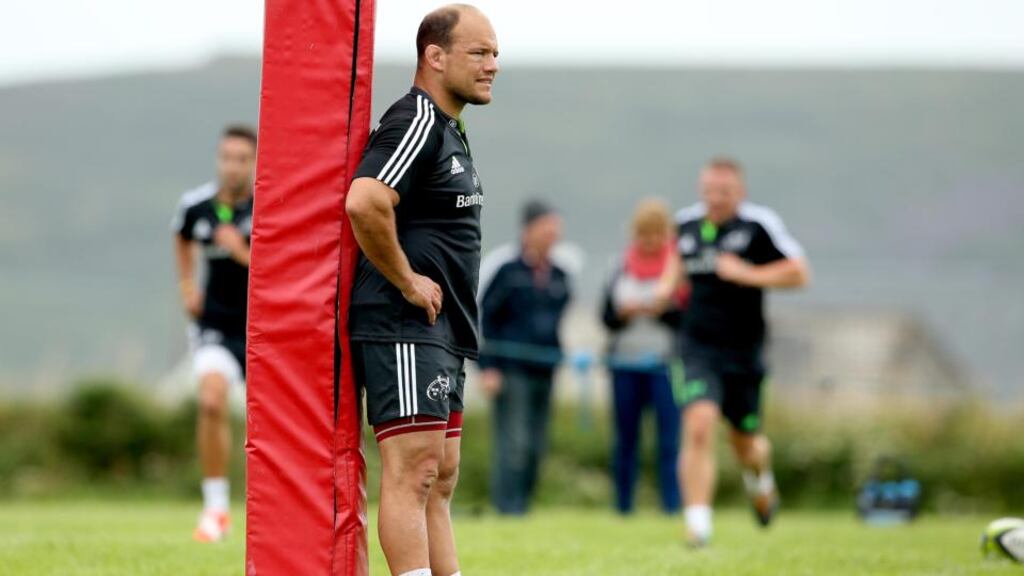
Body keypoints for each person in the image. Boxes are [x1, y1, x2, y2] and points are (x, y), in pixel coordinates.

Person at [344, 5, 498, 576]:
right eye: (479, 53)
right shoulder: (416, 117)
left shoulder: (450, 128)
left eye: (495, 54)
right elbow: (365, 200)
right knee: (414, 473)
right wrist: (406, 280)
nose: (492, 66)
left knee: (441, 477)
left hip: (446, 327)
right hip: (404, 324)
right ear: (435, 56)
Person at [674, 157, 810, 547]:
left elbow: (799, 272)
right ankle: (698, 525)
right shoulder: (685, 225)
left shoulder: (759, 224)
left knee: (745, 443)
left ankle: (760, 480)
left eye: (724, 192)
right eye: (709, 192)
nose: (715, 199)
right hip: (697, 346)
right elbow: (674, 270)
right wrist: (661, 291)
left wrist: (747, 273)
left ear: (740, 192)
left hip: (744, 353)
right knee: (699, 423)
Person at [170, 124, 257, 542]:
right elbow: (182, 237)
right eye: (227, 158)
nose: (233, 166)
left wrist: (241, 252)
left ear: (255, 162)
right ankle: (216, 509)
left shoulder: (269, 206)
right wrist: (188, 285)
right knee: (210, 400)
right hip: (216, 327)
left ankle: (277, 509)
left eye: (242, 159)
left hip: (264, 329)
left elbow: (284, 270)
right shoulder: (197, 206)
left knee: (273, 423)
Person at [478, 200, 572, 515]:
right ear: (528, 230)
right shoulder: (507, 271)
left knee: (536, 446)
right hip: (511, 370)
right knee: (513, 444)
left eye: (555, 230)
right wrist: (487, 368)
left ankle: (525, 505)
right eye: (547, 229)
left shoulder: (560, 275)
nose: (552, 236)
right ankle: (508, 508)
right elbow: (485, 320)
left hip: (544, 370)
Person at [600, 199, 684, 515]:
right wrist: (623, 315)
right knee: (625, 440)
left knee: (668, 442)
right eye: (643, 234)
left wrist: (661, 312)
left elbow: (686, 319)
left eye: (655, 234)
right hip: (625, 364)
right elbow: (605, 318)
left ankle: (672, 506)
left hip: (664, 364)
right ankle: (622, 507)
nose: (649, 241)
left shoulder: (678, 269)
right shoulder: (619, 267)